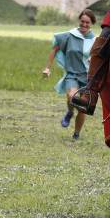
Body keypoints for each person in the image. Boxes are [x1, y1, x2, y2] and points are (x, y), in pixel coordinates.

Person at [42, 9, 96, 140]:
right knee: (72, 96)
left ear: (92, 23)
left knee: (82, 107)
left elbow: (102, 57)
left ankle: (76, 134)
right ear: (79, 21)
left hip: (88, 78)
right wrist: (47, 68)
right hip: (72, 74)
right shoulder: (69, 35)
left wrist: (93, 58)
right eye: (82, 21)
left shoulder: (96, 40)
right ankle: (70, 112)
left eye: (87, 22)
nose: (84, 24)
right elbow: (55, 49)